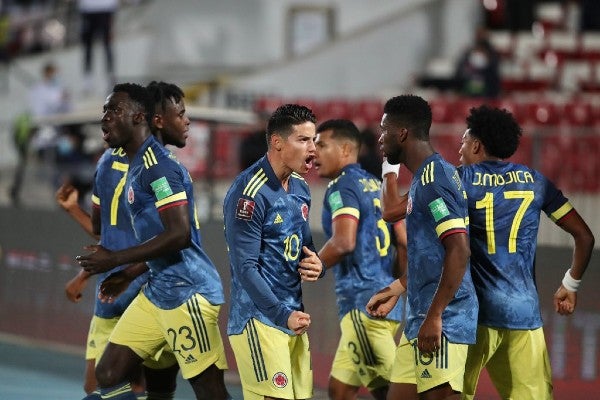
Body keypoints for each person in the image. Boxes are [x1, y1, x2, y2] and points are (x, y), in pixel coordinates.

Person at [76, 83, 231, 400]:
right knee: (110, 374)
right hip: (159, 288)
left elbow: (179, 235)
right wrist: (131, 272)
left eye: (113, 110)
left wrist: (114, 259)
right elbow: (162, 238)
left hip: (188, 294)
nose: (105, 118)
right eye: (105, 110)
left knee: (210, 392)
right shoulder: (134, 165)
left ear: (139, 118)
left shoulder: (158, 166)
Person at [457, 105, 595, 400]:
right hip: (523, 314)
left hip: (472, 315)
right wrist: (570, 286)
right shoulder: (535, 181)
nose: (460, 148)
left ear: (477, 145)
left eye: (464, 141)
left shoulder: (459, 180)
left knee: (448, 395)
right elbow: (584, 236)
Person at [366, 94, 478, 400]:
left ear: (402, 133)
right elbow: (392, 213)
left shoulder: (435, 180)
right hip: (419, 316)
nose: (380, 137)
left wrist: (436, 316)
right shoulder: (423, 178)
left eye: (384, 129)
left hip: (444, 320)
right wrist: (397, 288)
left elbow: (458, 249)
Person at [223, 103, 324, 400]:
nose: (313, 149)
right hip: (259, 320)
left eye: (314, 140)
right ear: (278, 143)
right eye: (303, 140)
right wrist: (281, 315)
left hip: (293, 318)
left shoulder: (301, 188)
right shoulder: (249, 192)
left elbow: (305, 246)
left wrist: (317, 263)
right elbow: (245, 268)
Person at [57, 181, 179, 399]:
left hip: (143, 291)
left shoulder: (149, 175)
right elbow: (110, 235)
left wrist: (123, 275)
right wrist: (74, 209)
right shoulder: (110, 169)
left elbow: (165, 239)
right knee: (98, 384)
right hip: (111, 293)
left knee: (130, 383)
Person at [313, 119, 405, 400]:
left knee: (394, 392)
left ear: (344, 149)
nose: (314, 151)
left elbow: (343, 241)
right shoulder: (376, 185)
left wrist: (309, 266)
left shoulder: (342, 186)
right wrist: (395, 289)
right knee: (340, 390)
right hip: (383, 300)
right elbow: (403, 241)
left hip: (362, 305)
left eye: (321, 144)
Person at [78, 0, 118, 93]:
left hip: (106, 8)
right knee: (88, 48)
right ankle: (87, 81)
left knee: (107, 46)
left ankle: (110, 78)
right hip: (88, 9)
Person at [454, 26, 500, 99]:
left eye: (483, 34)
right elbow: (460, 71)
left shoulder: (493, 54)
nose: (481, 37)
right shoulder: (468, 52)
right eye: (479, 34)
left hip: (487, 92)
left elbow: (494, 75)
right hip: (470, 91)